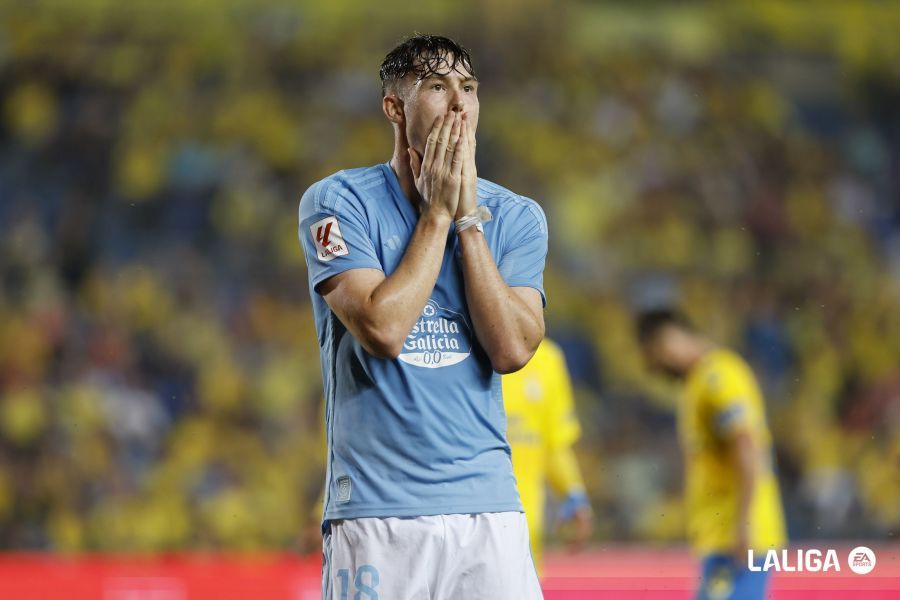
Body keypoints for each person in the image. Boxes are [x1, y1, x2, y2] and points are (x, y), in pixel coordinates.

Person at [297, 35, 546, 599]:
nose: (459, 103)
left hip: (488, 512)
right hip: (378, 515)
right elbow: (383, 330)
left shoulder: (517, 217)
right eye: (437, 87)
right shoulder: (338, 202)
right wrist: (436, 214)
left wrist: (467, 221)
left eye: (469, 88)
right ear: (394, 107)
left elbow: (512, 350)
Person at [636, 309, 787, 600]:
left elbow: (746, 445)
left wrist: (744, 525)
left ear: (663, 342)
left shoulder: (719, 376)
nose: (656, 371)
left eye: (652, 360)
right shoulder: (698, 383)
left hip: (739, 538)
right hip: (723, 536)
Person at [502, 337, 593, 574]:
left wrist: (574, 493)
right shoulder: (459, 350)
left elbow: (555, 444)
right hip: (468, 524)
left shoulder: (548, 358)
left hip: (527, 533)